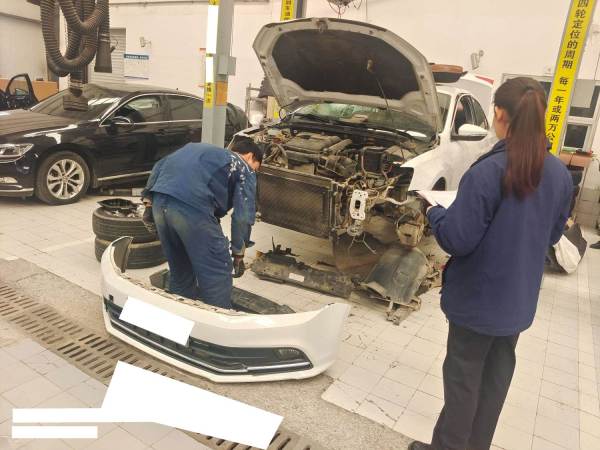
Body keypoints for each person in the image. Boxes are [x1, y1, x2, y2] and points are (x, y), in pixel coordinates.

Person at [409, 77, 572, 450]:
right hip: (517, 302)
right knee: (493, 383)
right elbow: (551, 235)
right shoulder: (559, 174)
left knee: (463, 384)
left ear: (499, 114)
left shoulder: (486, 172)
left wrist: (434, 212)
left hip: (477, 302)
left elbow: (458, 239)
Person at [140, 137, 262, 309]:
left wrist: (148, 207)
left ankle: (179, 318)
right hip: (192, 209)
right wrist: (238, 253)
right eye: (257, 167)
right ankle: (215, 321)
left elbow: (160, 165)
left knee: (180, 272)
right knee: (217, 273)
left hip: (160, 205)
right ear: (250, 156)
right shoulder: (243, 166)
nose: (254, 172)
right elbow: (242, 217)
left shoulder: (197, 150)